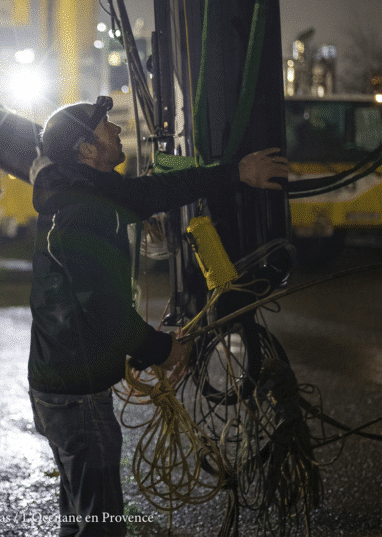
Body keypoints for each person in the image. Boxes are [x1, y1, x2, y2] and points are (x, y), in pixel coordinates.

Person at [27, 96, 287, 534]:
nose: (114, 129)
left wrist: (236, 173)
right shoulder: (83, 210)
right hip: (78, 393)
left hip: (65, 384)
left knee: (79, 512)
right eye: (104, 126)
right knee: (102, 524)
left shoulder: (85, 191)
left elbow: (154, 192)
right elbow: (102, 309)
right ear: (86, 151)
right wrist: (160, 349)